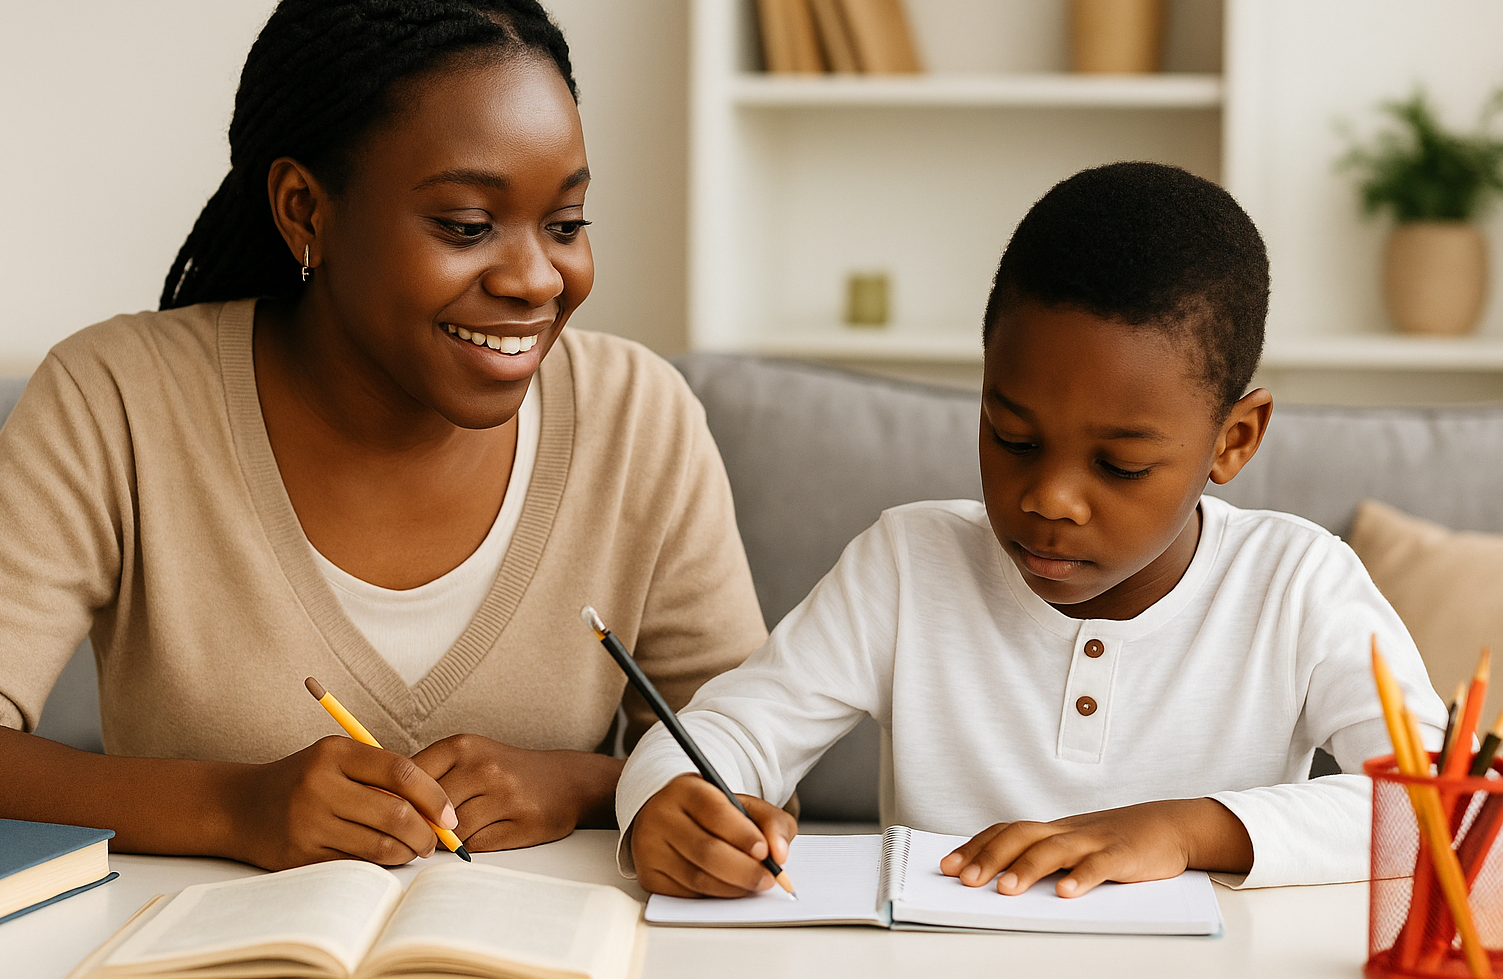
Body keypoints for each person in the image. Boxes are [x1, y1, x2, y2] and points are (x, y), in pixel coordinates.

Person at [0, 0, 767, 872]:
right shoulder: (115, 399)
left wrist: (590, 784)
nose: (537, 279)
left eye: (566, 223)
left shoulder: (639, 417)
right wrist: (230, 806)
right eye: (467, 226)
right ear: (305, 209)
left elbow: (751, 752)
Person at [617, 162, 1446, 899]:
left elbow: (1440, 806)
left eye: (1119, 466)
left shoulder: (1299, 584)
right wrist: (667, 801)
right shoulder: (908, 566)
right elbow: (721, 732)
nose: (1050, 499)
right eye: (1012, 438)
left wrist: (1182, 830)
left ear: (1233, 440)